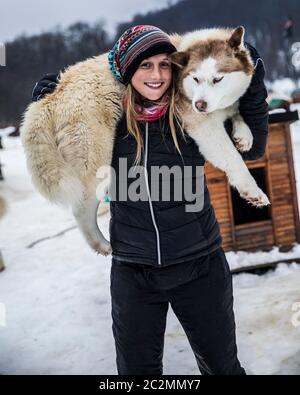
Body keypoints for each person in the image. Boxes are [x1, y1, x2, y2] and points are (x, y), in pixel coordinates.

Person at [32, 25, 269, 375]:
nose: (156, 75)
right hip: (134, 271)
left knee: (223, 368)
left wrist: (253, 94)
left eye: (163, 64)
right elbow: (72, 160)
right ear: (128, 71)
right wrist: (49, 105)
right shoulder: (109, 122)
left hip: (199, 264)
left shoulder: (191, 113)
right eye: (145, 66)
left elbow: (254, 150)